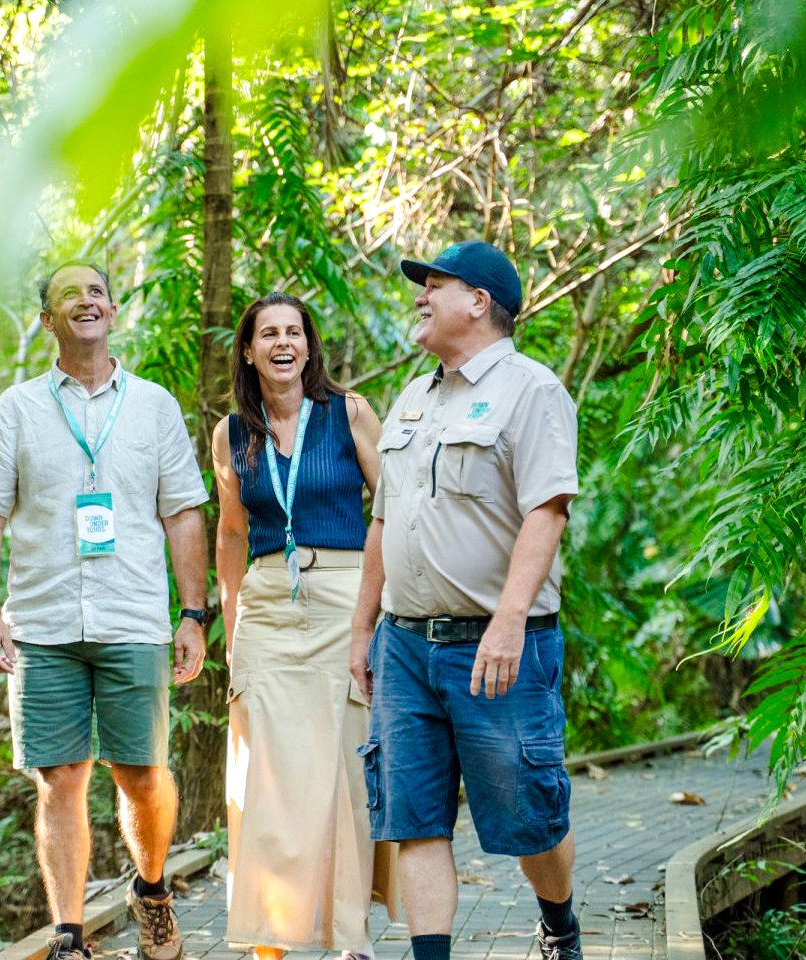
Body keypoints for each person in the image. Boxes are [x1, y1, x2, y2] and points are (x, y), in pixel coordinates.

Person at [0, 260, 210, 960]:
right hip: (42, 624)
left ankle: (152, 889)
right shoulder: (16, 409)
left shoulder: (154, 406)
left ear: (113, 311)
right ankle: (70, 936)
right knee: (60, 777)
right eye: (70, 294)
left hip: (133, 615)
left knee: (141, 773)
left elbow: (184, 514)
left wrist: (193, 614)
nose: (86, 301)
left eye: (96, 291)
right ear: (48, 320)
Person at [349, 241, 582, 960]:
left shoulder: (533, 391)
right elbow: (384, 523)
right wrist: (363, 629)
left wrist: (510, 621)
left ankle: (560, 923)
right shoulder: (413, 399)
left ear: (478, 301)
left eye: (434, 285)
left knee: (528, 815)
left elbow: (547, 511)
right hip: (407, 644)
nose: (420, 296)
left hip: (497, 643)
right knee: (414, 818)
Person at [211, 292, 393, 960]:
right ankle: (271, 935)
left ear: (310, 347)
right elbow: (231, 535)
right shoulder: (232, 432)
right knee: (262, 771)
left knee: (344, 769)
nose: (282, 343)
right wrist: (231, 630)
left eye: (294, 332)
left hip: (344, 601)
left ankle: (349, 936)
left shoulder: (350, 413)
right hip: (264, 608)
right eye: (268, 333)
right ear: (249, 350)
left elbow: (392, 510)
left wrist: (378, 615)